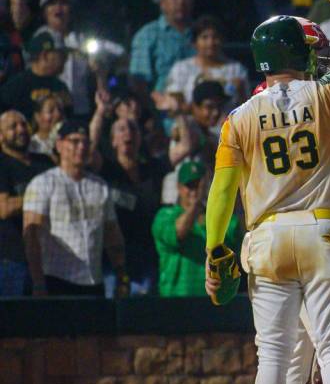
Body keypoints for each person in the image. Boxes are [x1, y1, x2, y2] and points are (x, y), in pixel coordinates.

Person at [204, 0, 330, 384]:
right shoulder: (327, 92)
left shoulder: (238, 117)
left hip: (266, 238)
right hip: (322, 230)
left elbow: (223, 189)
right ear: (298, 54)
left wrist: (215, 249)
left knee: (274, 354)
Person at [22, 119, 128, 296]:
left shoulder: (100, 186)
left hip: (93, 280)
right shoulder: (43, 183)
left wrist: (122, 275)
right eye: (74, 141)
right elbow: (32, 235)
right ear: (59, 145)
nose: (81, 147)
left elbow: (112, 234)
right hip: (57, 278)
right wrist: (38, 281)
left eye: (85, 142)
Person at [153, 161, 239, 297]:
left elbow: (238, 234)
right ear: (179, 187)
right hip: (174, 300)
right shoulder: (165, 216)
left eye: (199, 185)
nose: (195, 191)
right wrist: (198, 201)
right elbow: (178, 233)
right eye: (190, 186)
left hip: (211, 299)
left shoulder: (220, 218)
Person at [100, 118, 163, 296]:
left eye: (133, 129)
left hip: (147, 256)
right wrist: (102, 112)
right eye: (121, 129)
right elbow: (89, 149)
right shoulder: (107, 169)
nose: (128, 132)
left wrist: (180, 112)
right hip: (113, 260)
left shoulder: (152, 169)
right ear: (112, 140)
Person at [0, 110, 52, 295]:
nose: (21, 129)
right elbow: (4, 208)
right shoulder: (2, 164)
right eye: (12, 127)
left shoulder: (45, 162)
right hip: (12, 260)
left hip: (49, 259)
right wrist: (42, 197)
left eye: (23, 124)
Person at [129, 0, 195, 108]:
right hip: (163, 112)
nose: (181, 2)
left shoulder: (202, 34)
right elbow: (139, 82)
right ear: (162, 3)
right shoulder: (147, 35)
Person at [163, 15, 250, 113]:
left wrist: (240, 91)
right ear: (194, 42)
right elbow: (173, 108)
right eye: (204, 37)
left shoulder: (236, 70)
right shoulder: (181, 69)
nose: (210, 42)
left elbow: (247, 108)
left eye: (215, 37)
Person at [1, 30, 70, 119]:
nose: (66, 59)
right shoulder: (15, 88)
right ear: (45, 56)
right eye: (62, 55)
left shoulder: (61, 87)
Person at [28, 93, 63, 159]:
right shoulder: (30, 145)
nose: (58, 114)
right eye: (51, 111)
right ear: (37, 116)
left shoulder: (68, 142)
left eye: (60, 110)